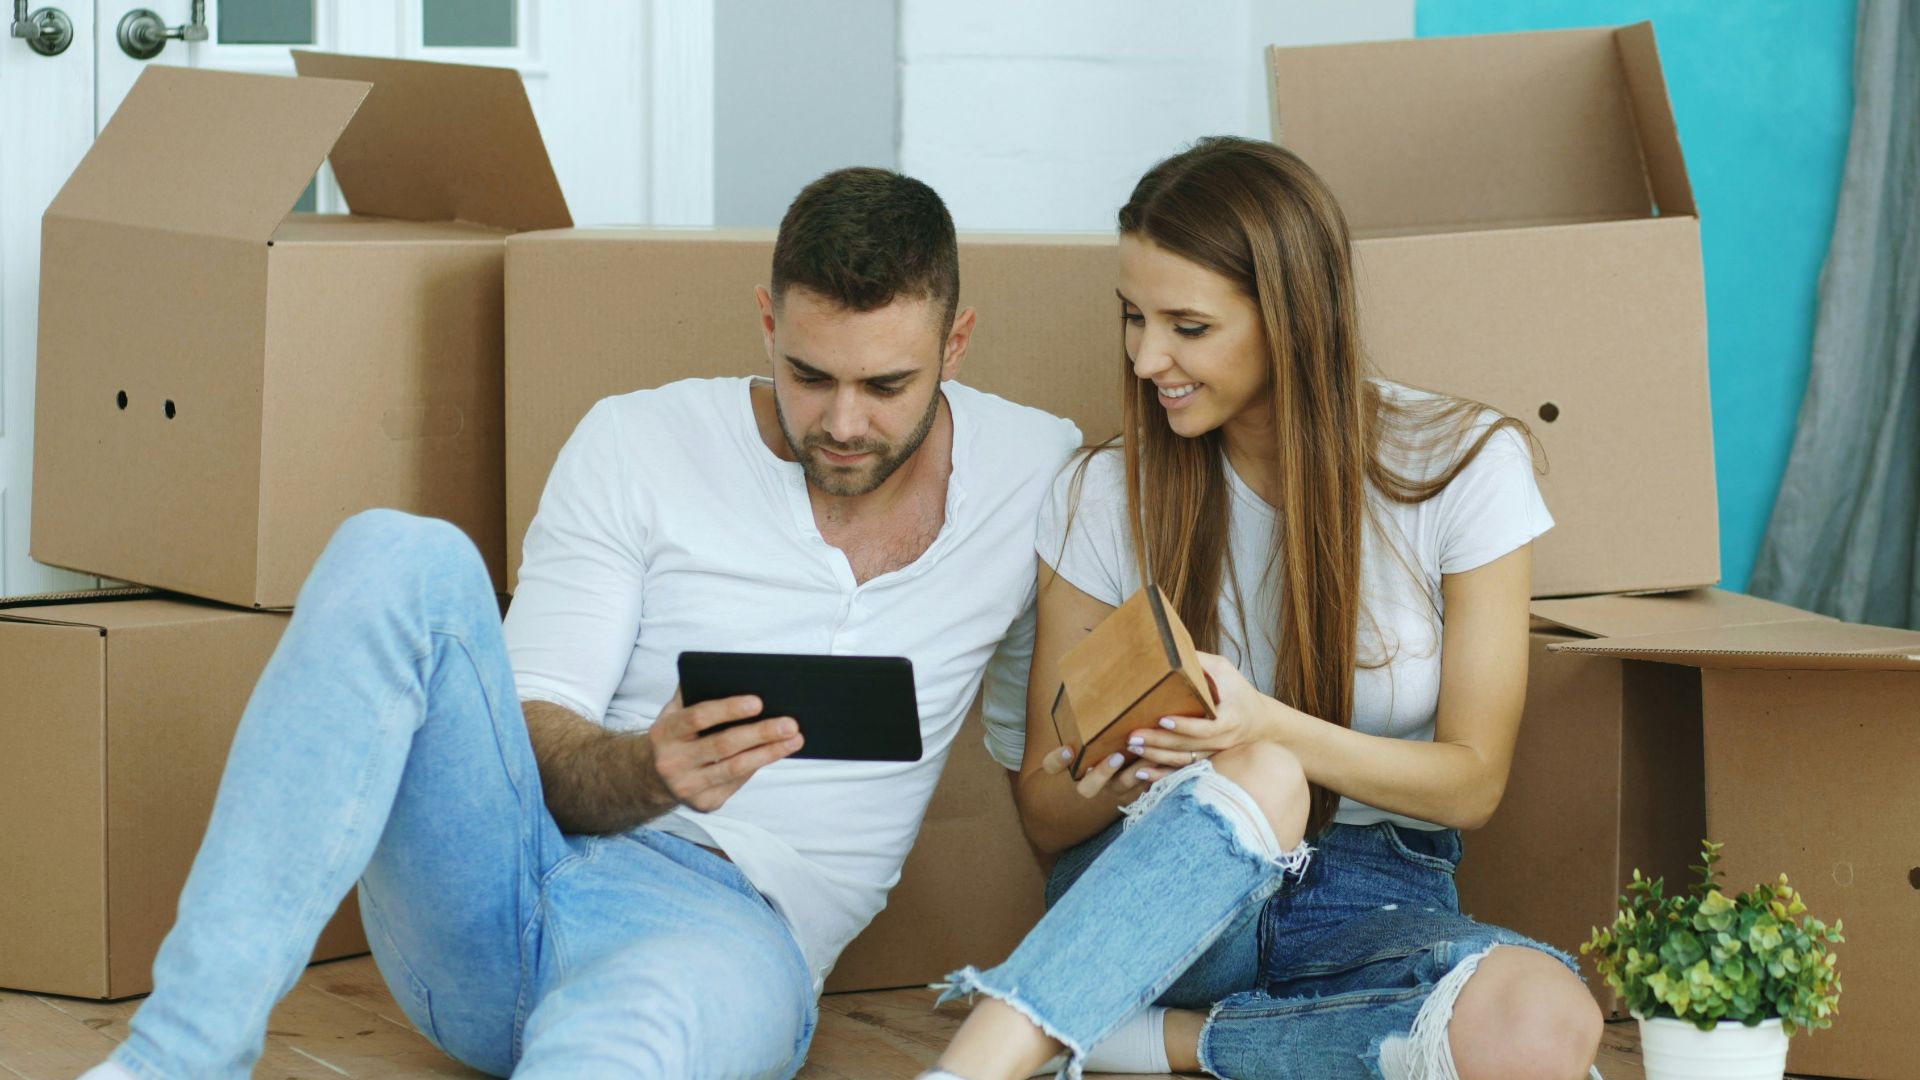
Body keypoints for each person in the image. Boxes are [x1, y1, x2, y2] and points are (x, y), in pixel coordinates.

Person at [81, 166, 1080, 1080]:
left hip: (729, 933)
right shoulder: (636, 442)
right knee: (396, 554)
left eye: (887, 385)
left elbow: (1036, 752)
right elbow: (533, 727)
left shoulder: (1038, 474)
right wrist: (650, 770)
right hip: (500, 883)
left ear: (956, 343)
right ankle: (173, 1060)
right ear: (769, 322)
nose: (844, 422)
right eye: (813, 377)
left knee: (630, 1030)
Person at [924, 137, 1604, 1080]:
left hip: (1375, 893)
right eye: (1133, 316)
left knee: (1545, 1025)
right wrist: (1147, 762)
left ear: (1290, 317)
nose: (1146, 355)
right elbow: (1044, 813)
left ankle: (1151, 1040)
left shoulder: (1461, 466)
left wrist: (1262, 723)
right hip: (1166, 889)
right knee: (1264, 778)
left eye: (1187, 327)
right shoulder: (1104, 495)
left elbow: (1473, 782)